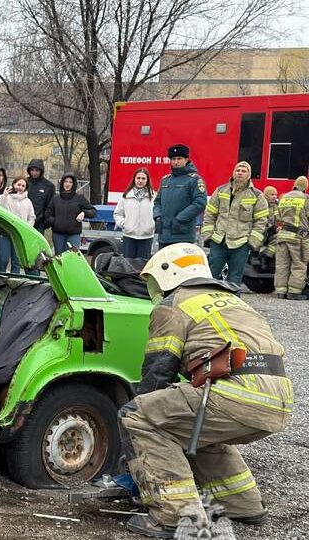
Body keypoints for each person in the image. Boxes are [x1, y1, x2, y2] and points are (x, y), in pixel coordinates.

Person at [119, 242, 291, 538]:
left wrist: (134, 446)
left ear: (167, 275)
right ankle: (243, 504)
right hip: (278, 399)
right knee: (192, 424)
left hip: (236, 394)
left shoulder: (174, 305)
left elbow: (158, 371)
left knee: (138, 416)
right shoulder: (235, 300)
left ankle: (174, 514)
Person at [200, 161, 269, 286]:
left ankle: (232, 303)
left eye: (244, 171)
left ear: (249, 175)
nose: (240, 173)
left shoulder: (257, 195)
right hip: (219, 240)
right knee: (210, 274)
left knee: (235, 278)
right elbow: (209, 215)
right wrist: (208, 236)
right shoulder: (221, 190)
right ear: (233, 173)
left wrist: (252, 242)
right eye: (238, 170)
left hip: (241, 243)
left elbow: (261, 221)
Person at [153, 144, 207, 250]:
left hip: (183, 235)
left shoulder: (194, 179)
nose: (176, 162)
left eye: (179, 158)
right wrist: (157, 217)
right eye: (173, 159)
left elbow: (200, 203)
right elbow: (157, 202)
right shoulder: (165, 180)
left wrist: (179, 219)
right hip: (164, 236)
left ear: (186, 159)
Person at [273, 176, 309, 300]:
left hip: (282, 235)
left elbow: (277, 216)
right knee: (299, 264)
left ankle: (280, 292)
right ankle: (294, 292)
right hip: (298, 237)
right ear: (305, 187)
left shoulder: (284, 198)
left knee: (282, 264)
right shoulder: (306, 199)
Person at [44, 173, 96, 255]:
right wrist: (55, 222)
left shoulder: (79, 198)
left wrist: (84, 213)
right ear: (62, 183)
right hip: (58, 234)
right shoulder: (55, 198)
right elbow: (48, 214)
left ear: (73, 184)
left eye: (70, 182)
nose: (67, 184)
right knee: (59, 258)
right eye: (65, 181)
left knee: (72, 257)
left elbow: (93, 212)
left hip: (73, 234)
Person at [113, 168, 156, 259]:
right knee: (128, 266)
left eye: (143, 178)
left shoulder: (153, 197)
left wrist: (152, 225)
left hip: (146, 236)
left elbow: (158, 214)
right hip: (129, 236)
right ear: (134, 179)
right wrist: (125, 224)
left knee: (142, 266)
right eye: (138, 178)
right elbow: (118, 214)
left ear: (147, 180)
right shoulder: (126, 196)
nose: (140, 181)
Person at [0, 176, 35, 273]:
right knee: (3, 259)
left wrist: (27, 227)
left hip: (19, 234)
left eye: (23, 186)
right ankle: (0, 278)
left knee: (16, 261)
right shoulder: (7, 197)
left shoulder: (28, 201)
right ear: (14, 184)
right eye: (18, 184)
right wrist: (4, 196)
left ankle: (15, 281)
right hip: (5, 232)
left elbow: (32, 217)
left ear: (25, 188)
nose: (20, 187)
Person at [25, 159, 54, 234]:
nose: (34, 173)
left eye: (37, 170)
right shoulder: (24, 182)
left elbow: (50, 207)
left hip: (39, 225)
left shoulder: (48, 186)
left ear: (41, 171)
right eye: (32, 170)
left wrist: (45, 223)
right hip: (23, 222)